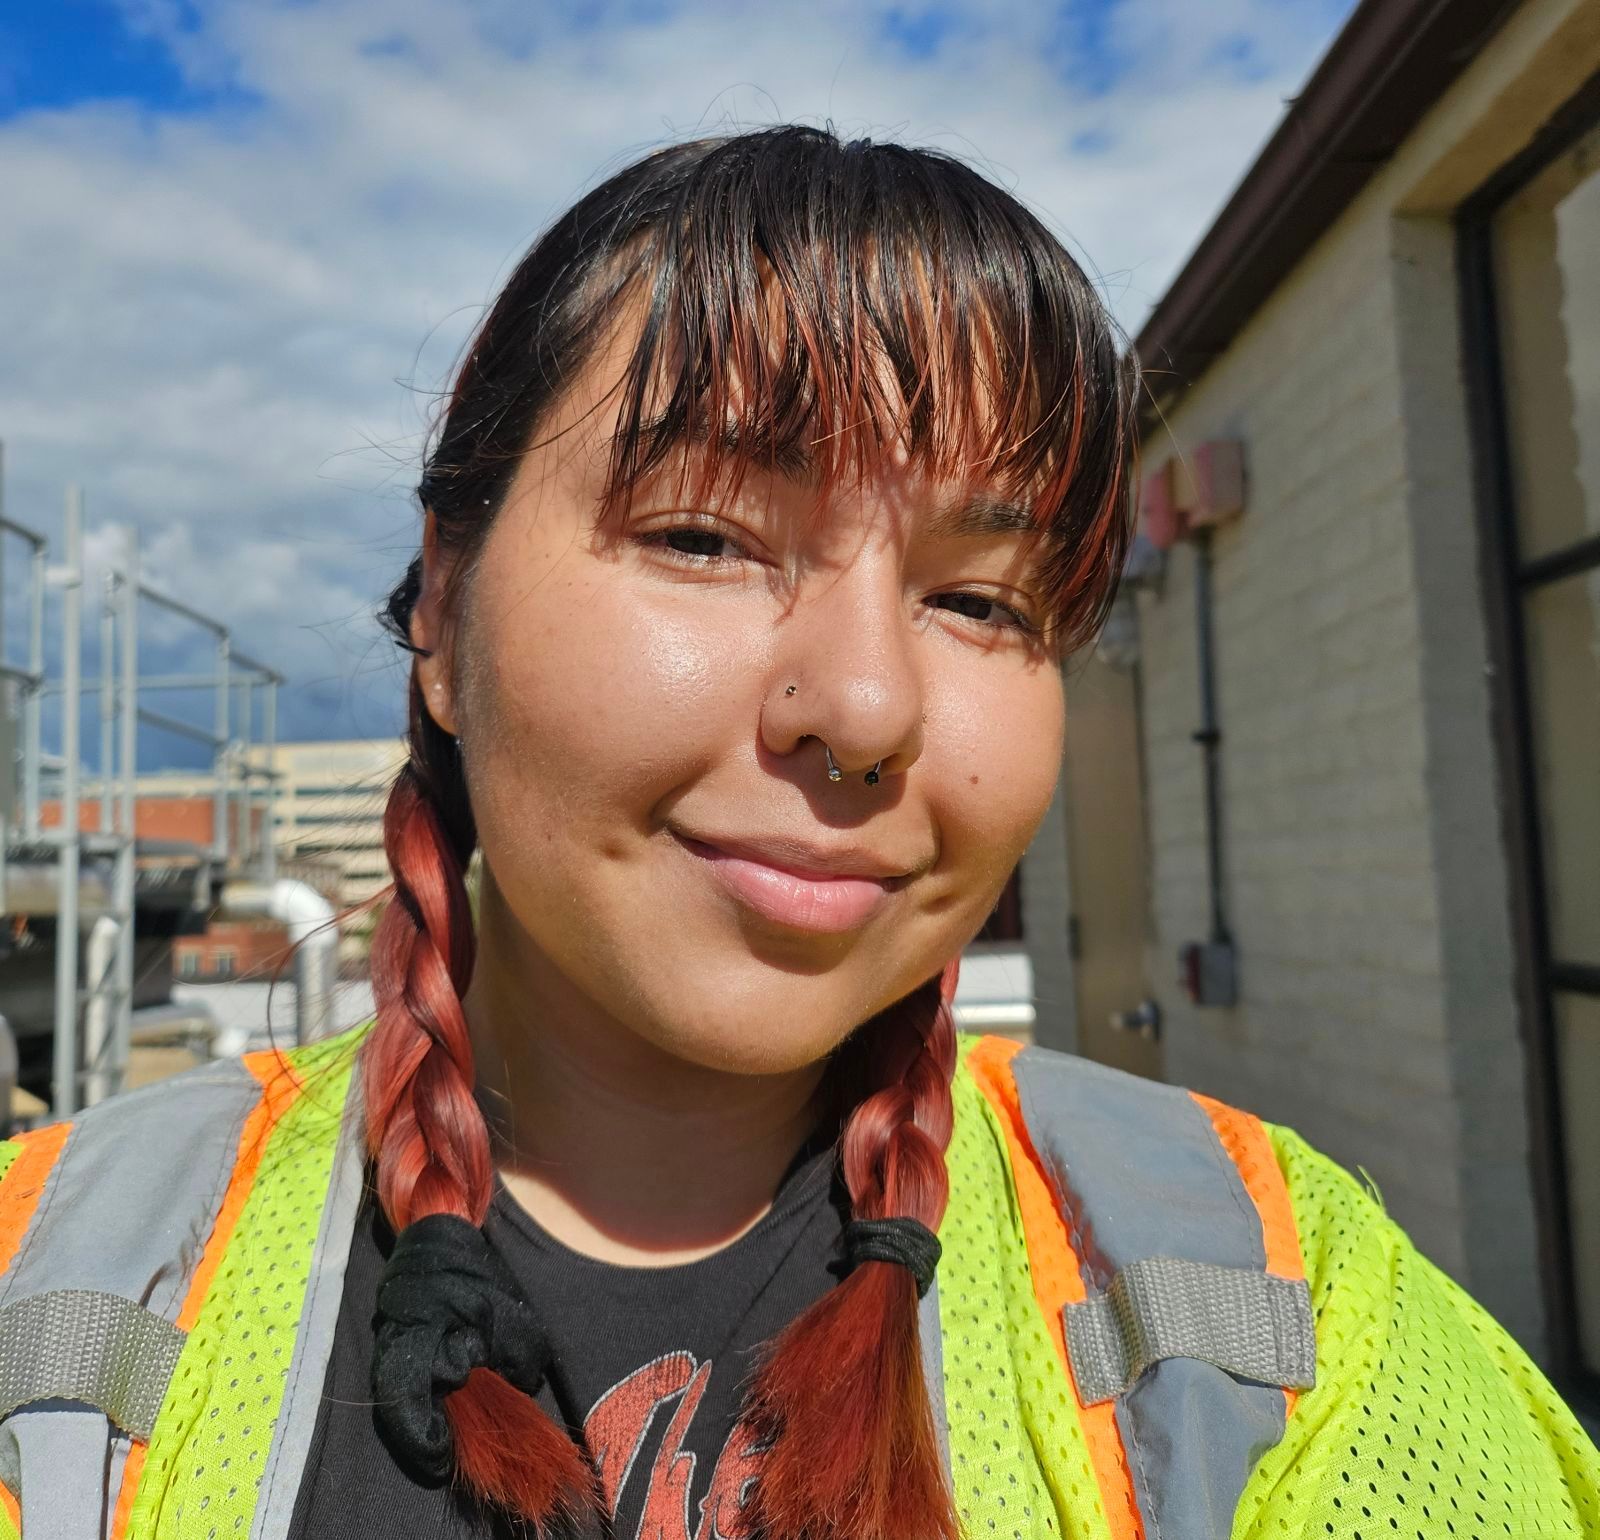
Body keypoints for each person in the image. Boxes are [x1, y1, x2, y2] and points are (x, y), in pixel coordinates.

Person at [0, 126, 1593, 1540]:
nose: (865, 705)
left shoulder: (1279, 1321)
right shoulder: (52, 1306)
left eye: (980, 600)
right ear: (440, 604)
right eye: (703, 536)